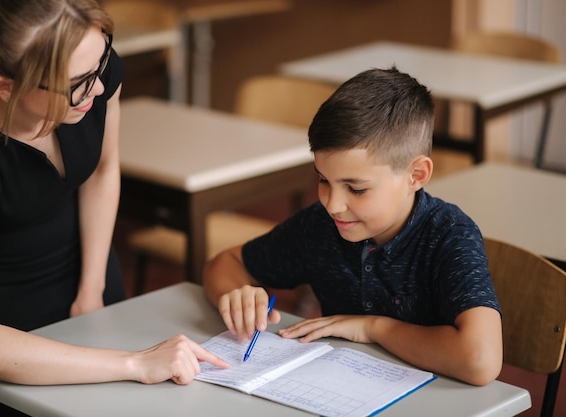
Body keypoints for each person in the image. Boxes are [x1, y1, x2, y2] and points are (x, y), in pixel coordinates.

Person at [0, 0, 227, 415]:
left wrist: (91, 290)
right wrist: (134, 363)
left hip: (89, 267)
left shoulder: (95, 73)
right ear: (4, 87)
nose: (97, 88)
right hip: (10, 317)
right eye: (77, 83)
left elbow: (102, 170)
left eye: (101, 65)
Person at [203, 66, 503, 387]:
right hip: (338, 392)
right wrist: (238, 295)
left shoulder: (449, 235)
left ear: (415, 176)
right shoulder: (320, 226)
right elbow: (225, 264)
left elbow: (480, 360)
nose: (333, 204)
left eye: (356, 188)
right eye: (322, 180)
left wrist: (373, 328)